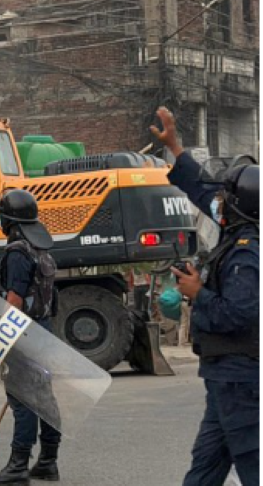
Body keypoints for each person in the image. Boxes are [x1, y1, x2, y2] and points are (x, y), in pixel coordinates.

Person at [153, 107, 260, 486]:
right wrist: (175, 148)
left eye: (226, 195)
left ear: (239, 204)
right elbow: (203, 191)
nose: (219, 200)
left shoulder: (247, 253)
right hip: (226, 380)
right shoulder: (240, 226)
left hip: (242, 380)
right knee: (205, 468)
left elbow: (239, 314)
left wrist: (198, 293)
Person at [0, 188, 62, 485]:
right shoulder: (40, 250)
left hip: (22, 332)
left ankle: (18, 466)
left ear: (9, 221)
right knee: (43, 397)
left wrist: (1, 338)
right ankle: (48, 462)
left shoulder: (17, 252)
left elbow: (14, 300)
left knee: (23, 400)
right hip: (43, 330)